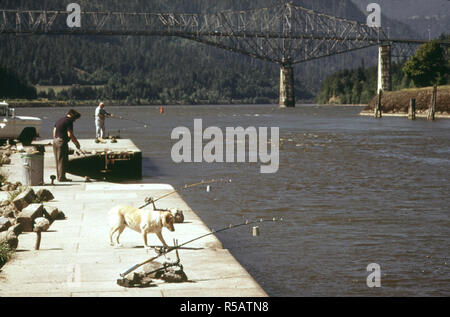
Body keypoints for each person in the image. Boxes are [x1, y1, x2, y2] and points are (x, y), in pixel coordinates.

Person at [53, 109, 82, 182]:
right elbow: (70, 134)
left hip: (55, 141)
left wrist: (56, 139)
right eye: (75, 118)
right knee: (63, 160)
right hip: (62, 142)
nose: (75, 120)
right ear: (72, 115)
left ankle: (59, 177)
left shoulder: (59, 120)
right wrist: (76, 143)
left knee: (58, 160)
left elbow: (54, 131)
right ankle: (62, 178)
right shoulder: (69, 121)